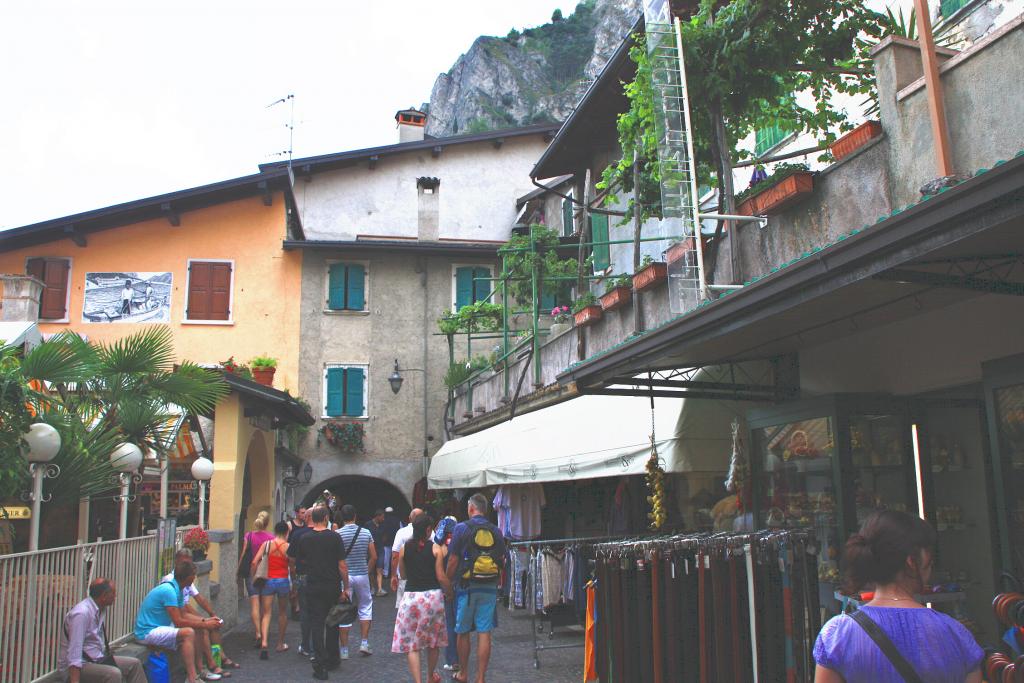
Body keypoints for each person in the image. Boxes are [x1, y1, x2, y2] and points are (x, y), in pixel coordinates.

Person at [813, 510, 983, 683]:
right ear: (911, 561)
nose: (932, 560)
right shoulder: (955, 633)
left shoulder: (838, 635)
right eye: (928, 552)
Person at [446, 494, 505, 683]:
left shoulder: (461, 528)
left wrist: (448, 582)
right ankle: (480, 678)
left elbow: (453, 559)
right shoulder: (496, 530)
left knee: (462, 631)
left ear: (471, 508)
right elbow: (502, 559)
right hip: (489, 586)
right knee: (484, 631)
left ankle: (463, 674)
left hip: (467, 587)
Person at [290, 505, 350, 680]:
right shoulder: (334, 537)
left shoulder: (304, 539)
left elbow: (297, 561)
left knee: (316, 623)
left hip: (313, 585)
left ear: (311, 518)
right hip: (332, 585)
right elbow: (342, 565)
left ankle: (319, 662)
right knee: (332, 622)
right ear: (325, 518)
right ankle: (332, 658)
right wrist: (346, 587)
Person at [135, 560, 219, 683]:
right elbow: (179, 621)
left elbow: (184, 614)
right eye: (194, 575)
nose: (195, 578)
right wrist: (205, 623)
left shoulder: (177, 589)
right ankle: (192, 678)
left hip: (157, 627)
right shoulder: (169, 591)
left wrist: (205, 621)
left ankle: (200, 669)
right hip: (147, 631)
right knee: (188, 633)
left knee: (199, 629)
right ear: (188, 577)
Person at [392, 513, 453, 683]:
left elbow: (403, 575)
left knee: (412, 645)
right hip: (432, 598)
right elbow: (441, 576)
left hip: (410, 598)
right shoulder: (435, 549)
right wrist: (449, 591)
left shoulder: (404, 549)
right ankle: (430, 676)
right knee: (433, 642)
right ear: (428, 530)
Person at [162, 549, 237, 679]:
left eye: (189, 561)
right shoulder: (171, 580)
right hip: (174, 617)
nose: (187, 564)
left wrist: (212, 614)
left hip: (183, 612)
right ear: (177, 561)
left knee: (213, 624)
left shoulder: (187, 577)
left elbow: (199, 598)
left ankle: (220, 658)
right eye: (184, 561)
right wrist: (202, 621)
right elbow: (181, 609)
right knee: (203, 628)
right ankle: (207, 666)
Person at [58, 578, 146, 683]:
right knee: (113, 674)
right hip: (79, 666)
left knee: (134, 664)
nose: (115, 597)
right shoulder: (81, 614)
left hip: (96, 659)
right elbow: (74, 654)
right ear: (104, 596)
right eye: (113, 593)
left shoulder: (99, 609)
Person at [335, 504, 377, 659]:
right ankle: (364, 642)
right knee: (365, 606)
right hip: (362, 575)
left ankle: (344, 650)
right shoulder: (366, 533)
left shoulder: (337, 534)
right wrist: (367, 570)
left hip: (344, 576)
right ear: (355, 516)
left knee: (343, 610)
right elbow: (374, 556)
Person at [250, 520, 291, 658]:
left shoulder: (266, 544)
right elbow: (292, 566)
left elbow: (254, 562)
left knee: (266, 613)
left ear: (275, 531)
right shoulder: (288, 547)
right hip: (283, 580)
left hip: (268, 580)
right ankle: (280, 643)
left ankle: (264, 642)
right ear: (286, 532)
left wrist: (254, 576)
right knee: (282, 613)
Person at [238, 510, 274, 649]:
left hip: (251, 573)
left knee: (254, 604)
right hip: (265, 573)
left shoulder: (249, 535)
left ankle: (258, 633)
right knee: (265, 606)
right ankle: (264, 632)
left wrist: (238, 570)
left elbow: (243, 554)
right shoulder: (271, 538)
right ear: (267, 522)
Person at [433, 516, 460, 674]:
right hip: (461, 585)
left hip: (446, 588)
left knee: (449, 624)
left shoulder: (439, 546)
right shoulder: (459, 542)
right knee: (459, 624)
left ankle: (452, 660)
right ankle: (460, 657)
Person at [287, 508, 315, 654]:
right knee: (319, 611)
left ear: (307, 517)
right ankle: (317, 644)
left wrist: (294, 580)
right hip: (320, 577)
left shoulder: (298, 535)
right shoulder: (327, 534)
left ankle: (306, 645)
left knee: (305, 611)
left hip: (302, 576)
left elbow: (291, 559)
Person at [391, 508, 424, 607]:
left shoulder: (402, 532)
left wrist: (393, 575)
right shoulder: (429, 532)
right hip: (424, 577)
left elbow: (395, 555)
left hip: (405, 576)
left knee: (404, 607)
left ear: (409, 518)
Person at [367, 509, 388, 596]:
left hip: (380, 549)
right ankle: (372, 587)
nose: (383, 519)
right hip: (371, 550)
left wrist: (382, 541)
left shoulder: (383, 525)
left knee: (380, 569)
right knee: (370, 570)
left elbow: (385, 536)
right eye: (382, 517)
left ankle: (379, 588)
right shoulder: (368, 525)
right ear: (377, 516)